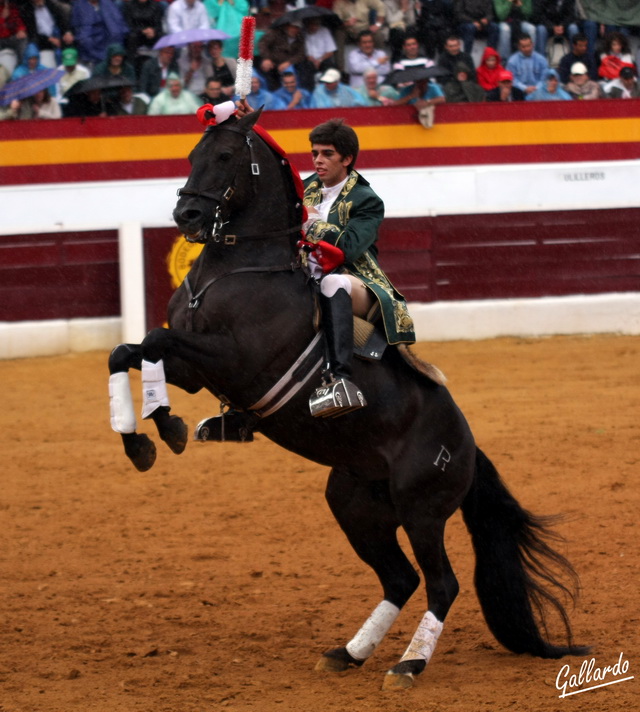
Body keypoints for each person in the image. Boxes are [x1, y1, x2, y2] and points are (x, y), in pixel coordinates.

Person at [300, 118, 415, 416]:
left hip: (356, 281)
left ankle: (340, 379)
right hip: (303, 274)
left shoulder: (366, 200)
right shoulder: (305, 188)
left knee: (332, 283)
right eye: (314, 153)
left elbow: (348, 249)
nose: (318, 160)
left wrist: (313, 223)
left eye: (327, 154)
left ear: (347, 159)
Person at [257, 19, 315, 91]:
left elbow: (301, 54)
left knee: (305, 69)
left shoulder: (300, 38)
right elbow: (262, 44)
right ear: (287, 26)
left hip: (289, 63)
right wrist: (266, 58)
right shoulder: (275, 33)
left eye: (297, 28)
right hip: (272, 61)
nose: (294, 30)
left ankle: (300, 92)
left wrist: (288, 62)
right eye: (293, 27)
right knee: (266, 69)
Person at [70, 0, 128, 68]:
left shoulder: (108, 3)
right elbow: (79, 28)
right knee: (85, 40)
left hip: (108, 35)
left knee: (117, 33)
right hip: (91, 37)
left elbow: (118, 22)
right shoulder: (79, 6)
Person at [122, 0, 165, 77]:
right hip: (136, 34)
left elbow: (159, 25)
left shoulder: (156, 6)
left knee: (164, 37)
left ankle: (162, 69)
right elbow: (128, 25)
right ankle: (130, 71)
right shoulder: (128, 6)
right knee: (131, 37)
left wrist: (153, 30)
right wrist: (142, 30)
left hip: (151, 34)